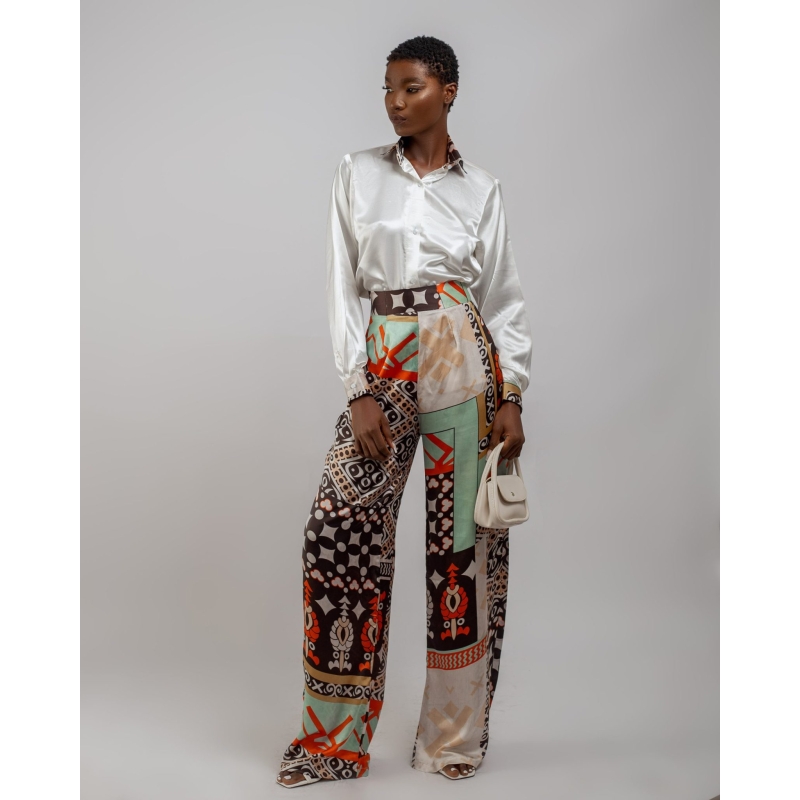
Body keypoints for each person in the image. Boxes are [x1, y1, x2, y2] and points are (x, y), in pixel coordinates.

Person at [276, 34, 533, 788]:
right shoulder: (357, 173)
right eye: (387, 89)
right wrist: (357, 385)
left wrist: (512, 393)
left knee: (464, 552)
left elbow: (503, 298)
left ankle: (452, 740)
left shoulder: (481, 188)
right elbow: (341, 284)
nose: (394, 102)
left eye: (411, 87)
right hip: (386, 349)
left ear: (448, 91)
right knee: (338, 534)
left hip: (462, 353)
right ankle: (333, 743)